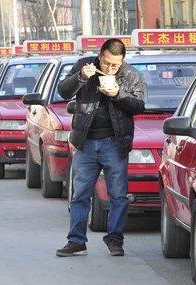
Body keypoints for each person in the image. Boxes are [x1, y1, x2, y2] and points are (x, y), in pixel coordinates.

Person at [55, 38, 145, 257]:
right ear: (99, 56)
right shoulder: (84, 66)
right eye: (106, 64)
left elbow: (138, 106)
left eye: (115, 65)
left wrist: (118, 94)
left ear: (122, 61)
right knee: (80, 194)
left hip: (114, 143)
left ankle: (115, 240)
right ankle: (76, 241)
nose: (110, 69)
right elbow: (63, 91)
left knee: (118, 195)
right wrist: (81, 77)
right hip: (85, 141)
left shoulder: (131, 75)